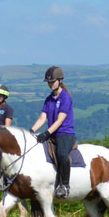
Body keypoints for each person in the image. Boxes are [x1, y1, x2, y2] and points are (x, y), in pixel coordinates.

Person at [31, 66, 75, 197]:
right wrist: (32, 130)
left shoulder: (65, 98)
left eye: (52, 81)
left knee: (62, 154)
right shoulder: (49, 99)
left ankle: (65, 185)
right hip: (52, 133)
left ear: (60, 81)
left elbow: (60, 121)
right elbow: (42, 117)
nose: (50, 84)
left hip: (65, 133)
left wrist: (46, 133)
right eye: (49, 82)